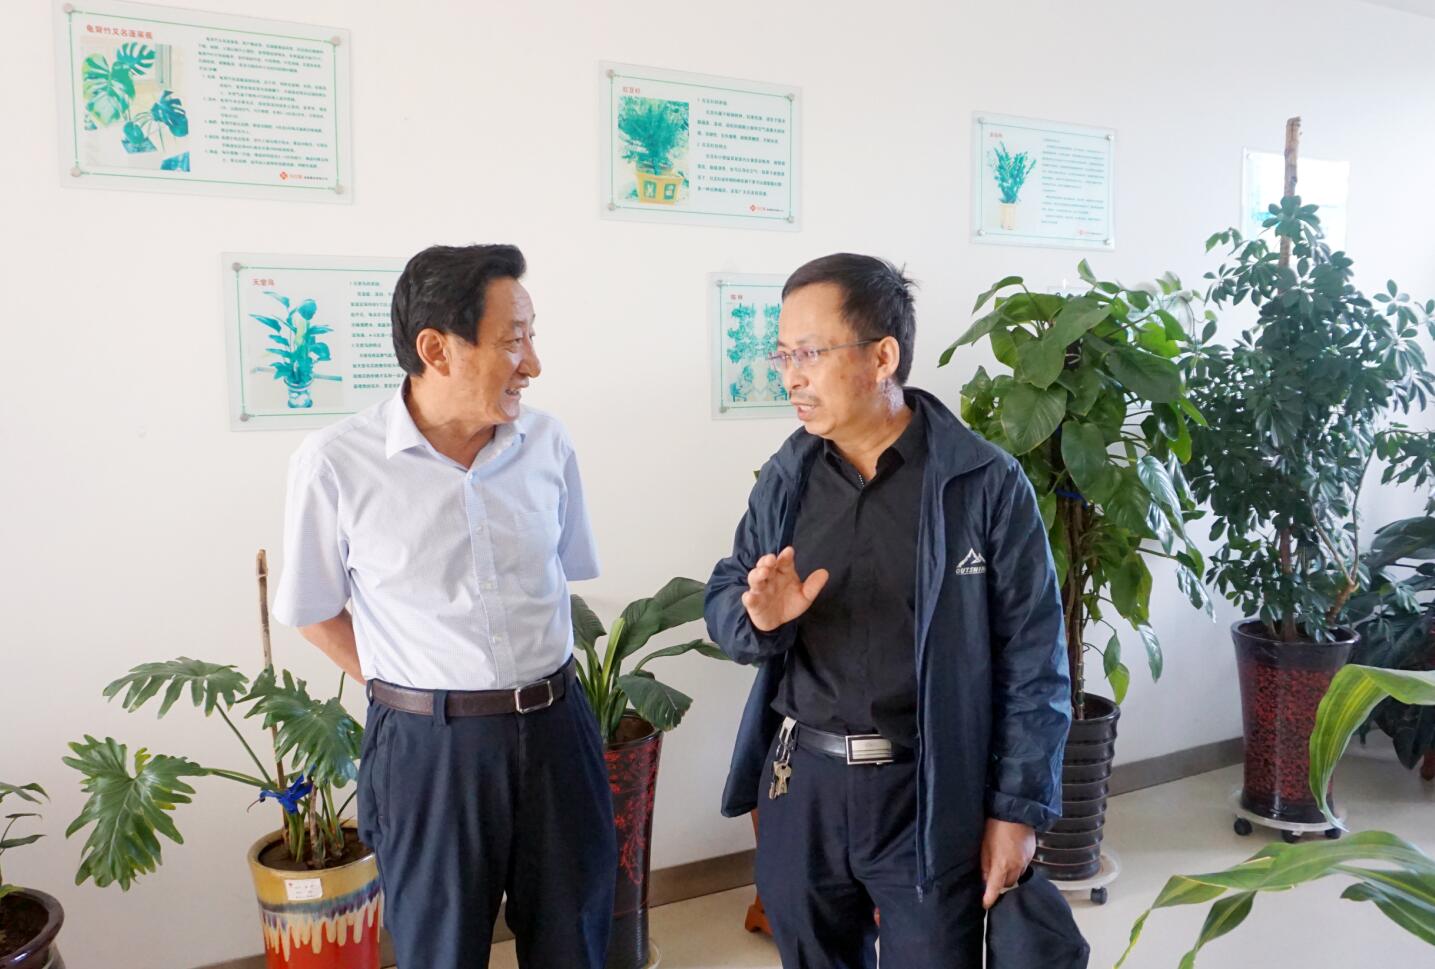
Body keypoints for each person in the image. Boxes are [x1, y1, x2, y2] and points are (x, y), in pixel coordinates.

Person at [705, 252, 1072, 968]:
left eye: (809, 353)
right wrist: (759, 617)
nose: (791, 376)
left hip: (928, 790)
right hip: (802, 786)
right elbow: (726, 591)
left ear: (882, 357)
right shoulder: (789, 475)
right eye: (783, 355)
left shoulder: (981, 484)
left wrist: (1017, 811)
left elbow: (1035, 662)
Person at [272, 244, 616, 969]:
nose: (532, 363)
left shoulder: (547, 443)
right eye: (512, 340)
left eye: (531, 336)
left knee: (575, 940)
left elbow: (565, 572)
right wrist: (414, 687)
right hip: (429, 751)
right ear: (436, 349)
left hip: (557, 730)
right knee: (441, 951)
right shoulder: (337, 461)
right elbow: (311, 608)